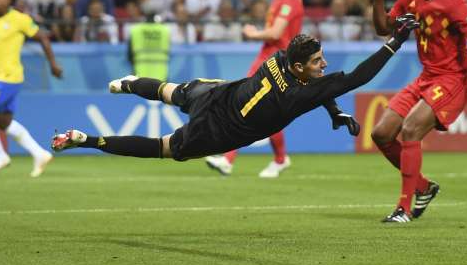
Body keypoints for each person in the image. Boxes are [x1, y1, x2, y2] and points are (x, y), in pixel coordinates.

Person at [51, 21, 420, 163]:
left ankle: (129, 83)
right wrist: (394, 41)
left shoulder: (278, 57)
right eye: (318, 61)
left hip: (217, 95)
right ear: (297, 67)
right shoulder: (295, 95)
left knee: (170, 91)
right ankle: (88, 140)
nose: (323, 65)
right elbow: (357, 76)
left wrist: (334, 110)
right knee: (164, 148)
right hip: (217, 130)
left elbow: (318, 88)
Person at [369, 0, 467, 223]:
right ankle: (424, 188)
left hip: (454, 80)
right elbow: (382, 28)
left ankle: (404, 207)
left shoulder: (456, 3)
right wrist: (378, 1)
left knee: (411, 129)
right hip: (427, 77)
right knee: (381, 133)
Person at [205, 0, 303, 178]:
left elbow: (277, 32)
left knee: (248, 104)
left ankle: (230, 159)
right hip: (268, 57)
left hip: (278, 60)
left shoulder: (291, 1)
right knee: (262, 110)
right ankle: (276, 159)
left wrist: (252, 33)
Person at [0, 0, 64, 178]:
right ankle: (40, 153)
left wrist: (53, 64)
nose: (0, 0)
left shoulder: (20, 19)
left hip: (9, 78)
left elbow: (42, 37)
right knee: (4, 123)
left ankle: (0, 155)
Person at [126, 10, 171, 80]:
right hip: (161, 75)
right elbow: (168, 51)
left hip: (140, 75)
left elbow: (129, 55)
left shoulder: (136, 30)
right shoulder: (164, 30)